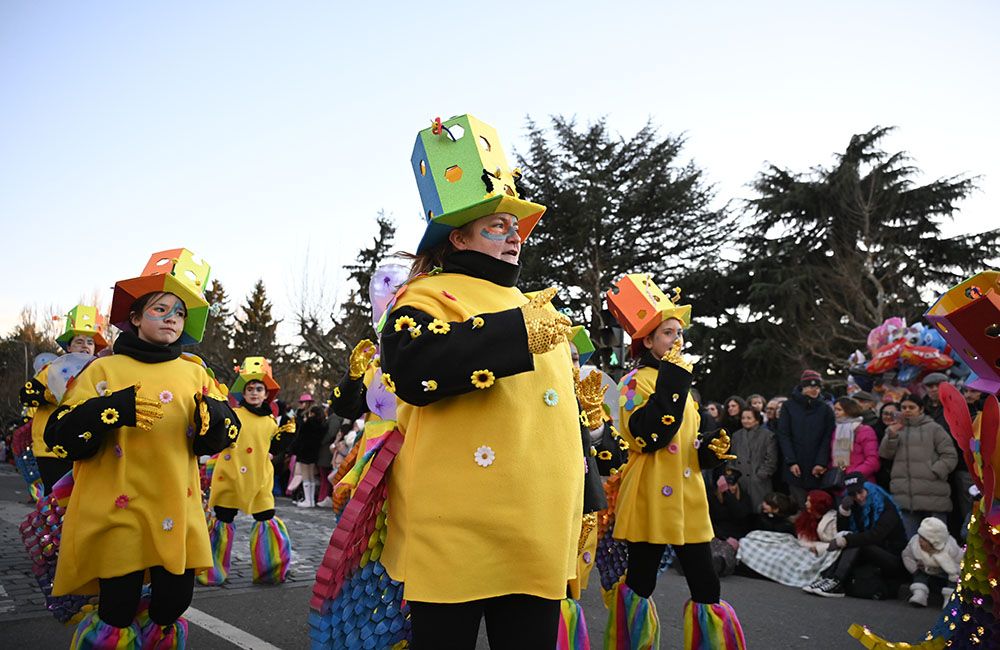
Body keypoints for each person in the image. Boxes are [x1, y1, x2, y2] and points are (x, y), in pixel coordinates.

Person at [377, 114, 582, 649]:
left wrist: (589, 496)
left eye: (515, 226)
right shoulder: (425, 294)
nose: (514, 235)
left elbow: (563, 422)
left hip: (538, 528)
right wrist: (514, 335)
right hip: (456, 528)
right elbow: (410, 370)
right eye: (497, 225)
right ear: (457, 236)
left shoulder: (534, 309)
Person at [44, 250, 240, 647]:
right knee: (117, 607)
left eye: (179, 313)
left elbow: (224, 431)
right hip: (119, 509)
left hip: (174, 508)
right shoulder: (103, 370)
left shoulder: (195, 371)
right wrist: (111, 409)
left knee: (173, 603)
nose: (171, 317)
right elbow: (59, 434)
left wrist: (216, 422)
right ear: (134, 317)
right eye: (160, 308)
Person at [606, 281, 745, 648]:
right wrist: (676, 380)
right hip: (650, 495)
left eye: (680, 333)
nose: (677, 339)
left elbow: (685, 446)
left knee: (706, 586)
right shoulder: (635, 382)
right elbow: (649, 436)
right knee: (641, 582)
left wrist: (708, 454)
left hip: (687, 498)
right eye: (668, 333)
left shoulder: (677, 383)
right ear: (647, 342)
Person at [200, 357, 294, 586]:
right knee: (223, 518)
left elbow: (274, 447)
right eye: (249, 389)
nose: (254, 393)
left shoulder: (271, 422)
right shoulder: (233, 414)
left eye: (259, 389)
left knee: (265, 517)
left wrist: (285, 437)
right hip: (230, 475)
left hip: (260, 477)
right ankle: (211, 571)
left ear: (266, 395)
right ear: (243, 393)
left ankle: (270, 569)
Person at [18, 305, 109, 495]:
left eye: (90, 342)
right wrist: (49, 395)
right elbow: (25, 395)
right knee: (56, 502)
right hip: (51, 447)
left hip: (88, 446)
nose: (85, 346)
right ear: (68, 347)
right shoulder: (52, 369)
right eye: (79, 341)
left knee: (82, 500)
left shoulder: (103, 370)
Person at [804, 472, 907, 598]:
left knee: (856, 542)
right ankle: (828, 578)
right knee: (852, 539)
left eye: (860, 492)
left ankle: (836, 581)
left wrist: (846, 540)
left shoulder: (886, 507)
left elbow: (875, 536)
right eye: (853, 494)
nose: (858, 497)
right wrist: (844, 512)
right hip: (871, 552)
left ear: (867, 488)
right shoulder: (855, 504)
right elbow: (843, 531)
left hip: (892, 557)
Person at [878, 394, 958, 538]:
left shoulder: (934, 428)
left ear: (921, 409)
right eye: (904, 407)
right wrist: (891, 435)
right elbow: (885, 454)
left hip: (933, 492)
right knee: (912, 541)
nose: (907, 410)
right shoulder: (894, 429)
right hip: (905, 495)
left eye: (911, 407)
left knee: (937, 540)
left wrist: (935, 471)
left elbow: (950, 455)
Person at [737, 489, 841, 588]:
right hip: (796, 544)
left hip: (811, 550)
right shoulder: (804, 518)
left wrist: (815, 548)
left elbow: (833, 542)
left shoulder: (830, 522)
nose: (805, 504)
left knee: (786, 557)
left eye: (809, 501)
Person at [776, 369, 835, 506]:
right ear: (803, 387)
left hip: (817, 466)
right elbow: (784, 434)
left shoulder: (825, 409)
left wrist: (821, 462)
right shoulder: (788, 406)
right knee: (800, 504)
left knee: (817, 505)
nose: (814, 390)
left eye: (817, 387)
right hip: (796, 465)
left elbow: (827, 436)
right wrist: (791, 461)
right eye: (810, 386)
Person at [902, 516, 962, 608]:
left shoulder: (951, 549)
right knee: (920, 575)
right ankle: (920, 594)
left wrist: (952, 569)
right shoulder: (915, 544)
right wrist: (915, 568)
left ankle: (949, 599)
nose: (920, 541)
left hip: (945, 575)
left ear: (934, 542)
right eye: (920, 537)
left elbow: (960, 564)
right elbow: (906, 556)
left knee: (954, 578)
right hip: (926, 571)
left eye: (924, 539)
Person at [728, 407, 779, 512]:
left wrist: (760, 476)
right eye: (743, 418)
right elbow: (732, 457)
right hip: (741, 480)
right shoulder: (736, 435)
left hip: (759, 482)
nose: (745, 421)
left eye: (749, 418)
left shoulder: (768, 436)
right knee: (741, 510)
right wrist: (732, 478)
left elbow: (771, 459)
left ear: (756, 420)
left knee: (759, 511)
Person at [829, 397, 880, 485]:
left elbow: (873, 460)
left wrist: (854, 475)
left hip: (860, 483)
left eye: (839, 410)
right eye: (834, 409)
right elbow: (834, 459)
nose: (835, 412)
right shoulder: (837, 431)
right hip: (839, 483)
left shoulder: (864, 430)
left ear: (849, 411)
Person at [292, 405, 327, 508]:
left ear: (312, 413)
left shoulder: (307, 423)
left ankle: (308, 500)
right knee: (311, 475)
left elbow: (300, 437)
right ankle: (311, 500)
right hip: (314, 451)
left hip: (304, 451)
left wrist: (295, 449)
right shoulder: (322, 424)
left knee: (305, 475)